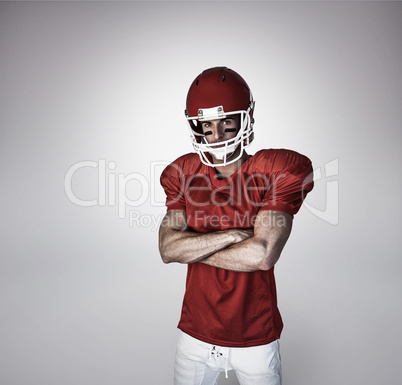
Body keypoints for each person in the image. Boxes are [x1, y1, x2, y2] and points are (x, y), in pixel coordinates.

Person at [159, 67, 314, 385]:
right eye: (207, 126)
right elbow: (167, 249)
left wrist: (191, 246)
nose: (216, 135)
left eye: (226, 123)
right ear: (196, 126)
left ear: (246, 118)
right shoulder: (183, 172)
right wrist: (230, 236)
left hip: (254, 336)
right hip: (195, 332)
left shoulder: (276, 169)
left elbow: (262, 254)